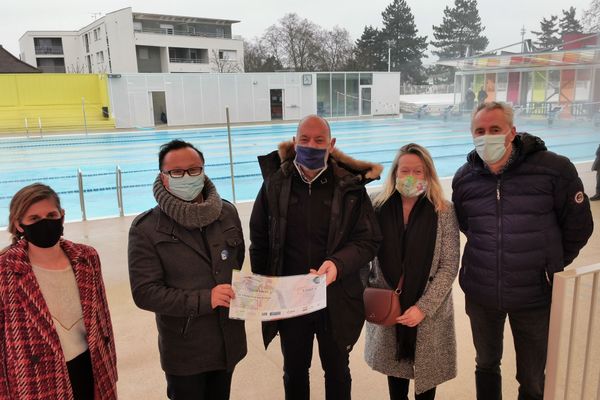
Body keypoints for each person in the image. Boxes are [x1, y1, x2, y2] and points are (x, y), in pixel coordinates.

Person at [452, 101, 594, 400]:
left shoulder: (554, 169)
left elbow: (579, 227)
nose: (486, 136)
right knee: (486, 364)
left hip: (534, 294)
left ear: (512, 131)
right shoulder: (465, 178)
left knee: (531, 376)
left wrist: (549, 262)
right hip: (482, 292)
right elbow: (468, 227)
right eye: (480, 130)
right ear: (471, 133)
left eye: (495, 129)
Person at [249, 114, 382, 400]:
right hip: (290, 298)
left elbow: (368, 239)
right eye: (305, 139)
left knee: (337, 370)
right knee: (294, 370)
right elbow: (259, 239)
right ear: (295, 142)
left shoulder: (350, 188)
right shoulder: (275, 184)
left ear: (331, 144)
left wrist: (338, 263)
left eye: (319, 140)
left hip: (335, 296)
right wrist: (263, 289)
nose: (311, 145)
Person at [128, 139, 246, 400]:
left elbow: (236, 264)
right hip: (185, 349)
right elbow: (145, 293)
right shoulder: (146, 229)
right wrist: (206, 299)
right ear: (163, 177)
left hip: (228, 340)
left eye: (194, 170)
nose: (187, 177)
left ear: (203, 171)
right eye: (177, 172)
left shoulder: (227, 213)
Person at [0, 183, 117, 399]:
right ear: (19, 224)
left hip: (91, 366)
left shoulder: (87, 257)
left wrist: (111, 368)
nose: (45, 223)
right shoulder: (4, 269)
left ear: (62, 216)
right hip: (35, 376)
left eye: (51, 214)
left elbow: (103, 318)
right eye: (34, 219)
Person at [364, 143, 459, 400]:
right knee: (396, 383)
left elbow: (449, 266)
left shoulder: (444, 211)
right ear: (394, 174)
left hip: (429, 311)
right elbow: (363, 254)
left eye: (418, 171)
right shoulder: (376, 206)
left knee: (426, 384)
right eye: (404, 170)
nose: (411, 177)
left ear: (428, 175)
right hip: (390, 307)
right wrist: (365, 291)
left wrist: (422, 308)